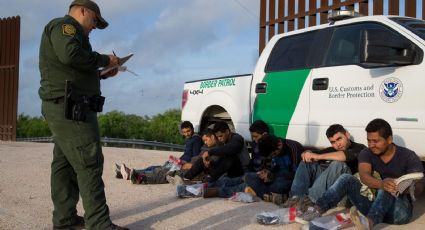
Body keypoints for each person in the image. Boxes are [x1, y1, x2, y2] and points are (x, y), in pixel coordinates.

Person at [39, 1, 127, 229]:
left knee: (65, 164)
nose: (95, 26)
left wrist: (103, 74)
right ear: (82, 10)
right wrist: (105, 59)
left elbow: (73, 68)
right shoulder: (64, 27)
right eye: (95, 20)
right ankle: (99, 224)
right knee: (89, 161)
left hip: (66, 106)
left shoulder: (77, 37)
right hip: (70, 109)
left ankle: (65, 219)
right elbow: (70, 55)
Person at [300, 118, 425, 228]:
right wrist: (382, 184)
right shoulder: (366, 153)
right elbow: (364, 175)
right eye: (369, 140)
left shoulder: (408, 156)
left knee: (387, 188)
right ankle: (316, 210)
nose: (371, 145)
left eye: (375, 141)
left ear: (389, 139)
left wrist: (408, 188)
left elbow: (419, 184)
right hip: (371, 206)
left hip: (399, 212)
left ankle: (368, 224)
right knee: (346, 178)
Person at [284, 124, 366, 209]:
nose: (337, 144)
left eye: (339, 139)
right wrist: (307, 153)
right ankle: (295, 198)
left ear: (347, 135)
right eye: (333, 142)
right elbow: (312, 153)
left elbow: (344, 156)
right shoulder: (334, 149)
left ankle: (310, 201)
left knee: (338, 164)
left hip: (348, 190)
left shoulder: (360, 148)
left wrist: (318, 156)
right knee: (307, 162)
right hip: (330, 188)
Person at [114, 121, 203, 184]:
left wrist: (182, 163)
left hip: (182, 166)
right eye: (184, 132)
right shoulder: (190, 139)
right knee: (155, 167)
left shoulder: (196, 140)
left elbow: (194, 157)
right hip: (179, 162)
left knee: (159, 171)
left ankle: (132, 174)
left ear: (192, 129)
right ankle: (128, 172)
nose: (187, 134)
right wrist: (177, 159)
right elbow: (187, 154)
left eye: (188, 131)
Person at [183, 121, 249, 181]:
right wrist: (208, 162)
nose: (219, 139)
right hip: (224, 170)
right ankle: (185, 178)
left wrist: (210, 152)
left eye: (221, 136)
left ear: (227, 131)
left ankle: (213, 180)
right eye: (218, 137)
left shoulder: (237, 138)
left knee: (230, 157)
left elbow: (230, 149)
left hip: (241, 170)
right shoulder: (223, 140)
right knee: (202, 161)